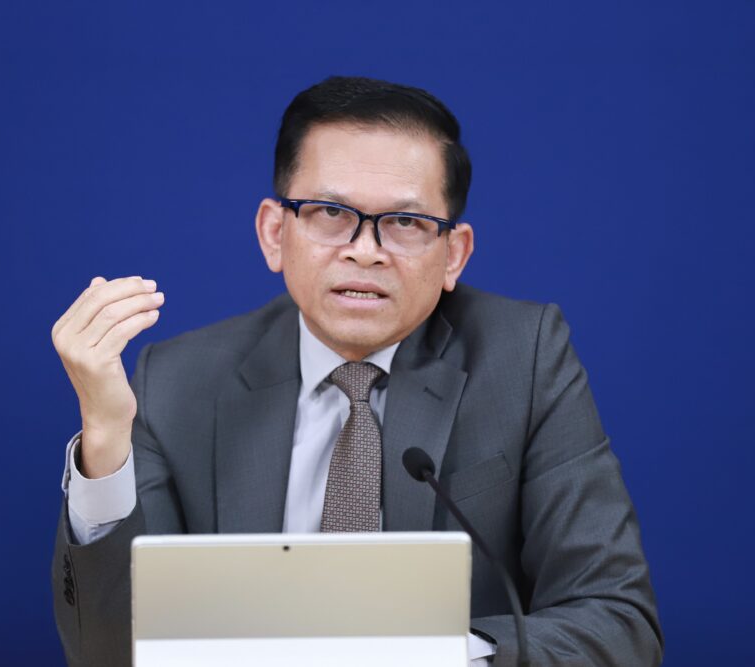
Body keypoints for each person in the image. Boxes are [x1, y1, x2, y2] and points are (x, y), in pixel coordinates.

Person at [50, 76, 664, 666]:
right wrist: (105, 438)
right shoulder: (178, 380)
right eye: (330, 212)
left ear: (454, 254)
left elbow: (617, 622)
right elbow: (112, 653)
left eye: (405, 222)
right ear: (274, 233)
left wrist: (434, 657)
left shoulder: (523, 359)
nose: (365, 250)